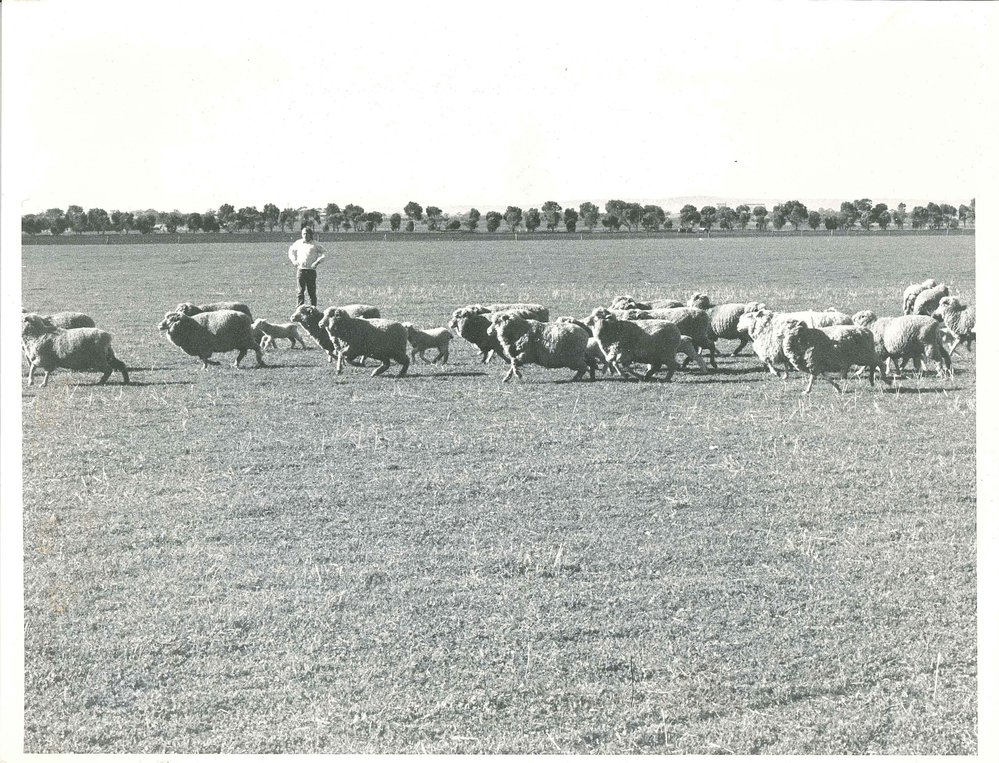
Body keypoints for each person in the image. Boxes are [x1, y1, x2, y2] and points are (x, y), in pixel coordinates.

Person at [288, 226, 326, 306]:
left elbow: (324, 253)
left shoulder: (315, 244)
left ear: (310, 234)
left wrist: (317, 262)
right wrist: (294, 260)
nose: (305, 235)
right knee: (300, 291)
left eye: (307, 234)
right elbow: (291, 251)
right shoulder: (298, 243)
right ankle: (299, 309)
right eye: (303, 234)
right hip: (301, 270)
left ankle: (313, 309)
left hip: (311, 271)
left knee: (311, 292)